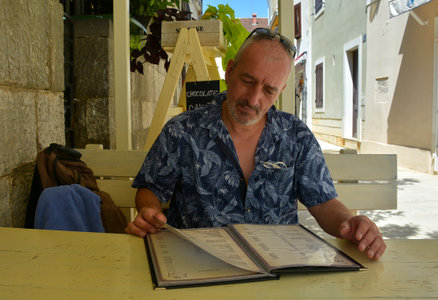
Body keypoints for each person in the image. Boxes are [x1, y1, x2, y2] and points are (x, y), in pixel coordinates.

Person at [126, 28, 386, 260]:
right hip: (199, 263)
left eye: (268, 90)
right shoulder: (183, 131)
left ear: (281, 90)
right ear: (229, 72)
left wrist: (350, 223)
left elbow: (324, 204)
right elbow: (150, 188)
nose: (253, 98)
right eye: (247, 81)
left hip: (279, 268)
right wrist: (150, 211)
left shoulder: (295, 135)